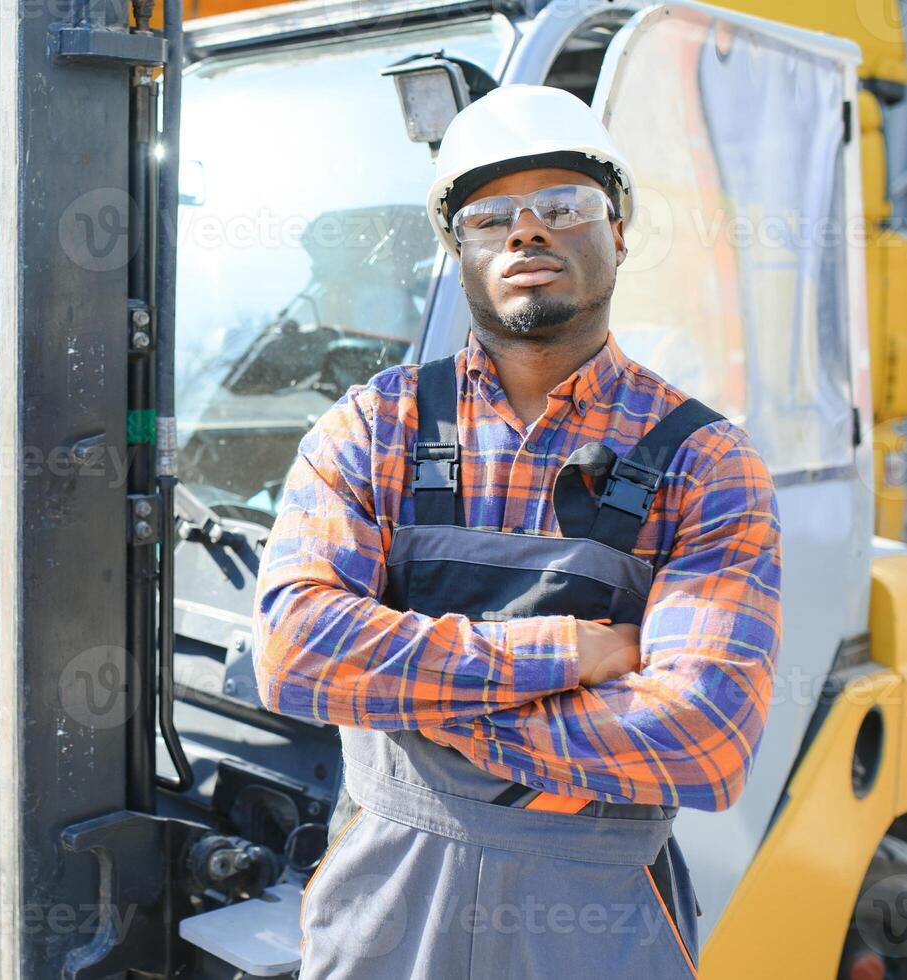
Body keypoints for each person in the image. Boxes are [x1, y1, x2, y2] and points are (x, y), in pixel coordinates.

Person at [252, 85, 782, 978]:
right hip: (387, 904)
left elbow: (701, 738)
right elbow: (294, 653)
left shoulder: (705, 462)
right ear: (456, 251)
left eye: (563, 207)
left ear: (617, 232)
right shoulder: (373, 427)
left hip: (595, 918)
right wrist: (564, 655)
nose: (526, 232)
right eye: (489, 215)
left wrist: (420, 718)